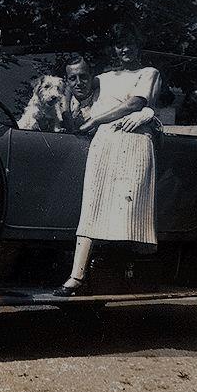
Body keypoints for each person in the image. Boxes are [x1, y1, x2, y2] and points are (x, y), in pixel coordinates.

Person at [53, 40, 162, 297]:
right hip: (104, 143)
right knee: (92, 207)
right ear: (113, 49)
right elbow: (76, 89)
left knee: (127, 213)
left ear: (138, 44)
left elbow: (136, 103)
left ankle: (124, 275)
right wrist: (68, 106)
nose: (125, 49)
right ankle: (76, 276)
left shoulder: (149, 73)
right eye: (119, 44)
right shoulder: (102, 78)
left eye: (130, 42)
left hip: (133, 142)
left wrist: (146, 113)